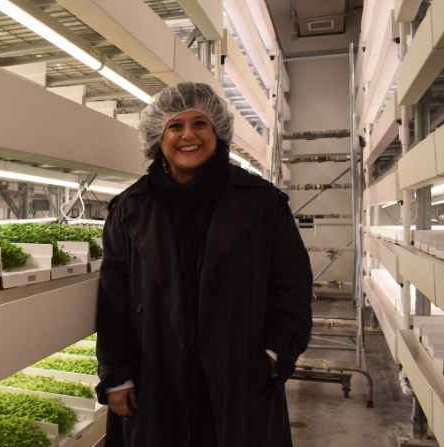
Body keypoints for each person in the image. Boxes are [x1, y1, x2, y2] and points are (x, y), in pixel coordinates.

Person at [96, 82, 313, 447]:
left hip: (239, 377)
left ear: (217, 132)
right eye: (175, 126)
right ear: (157, 137)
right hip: (155, 378)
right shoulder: (130, 209)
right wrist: (117, 375)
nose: (188, 135)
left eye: (200, 123)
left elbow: (291, 286)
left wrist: (273, 356)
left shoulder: (261, 203)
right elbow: (113, 300)